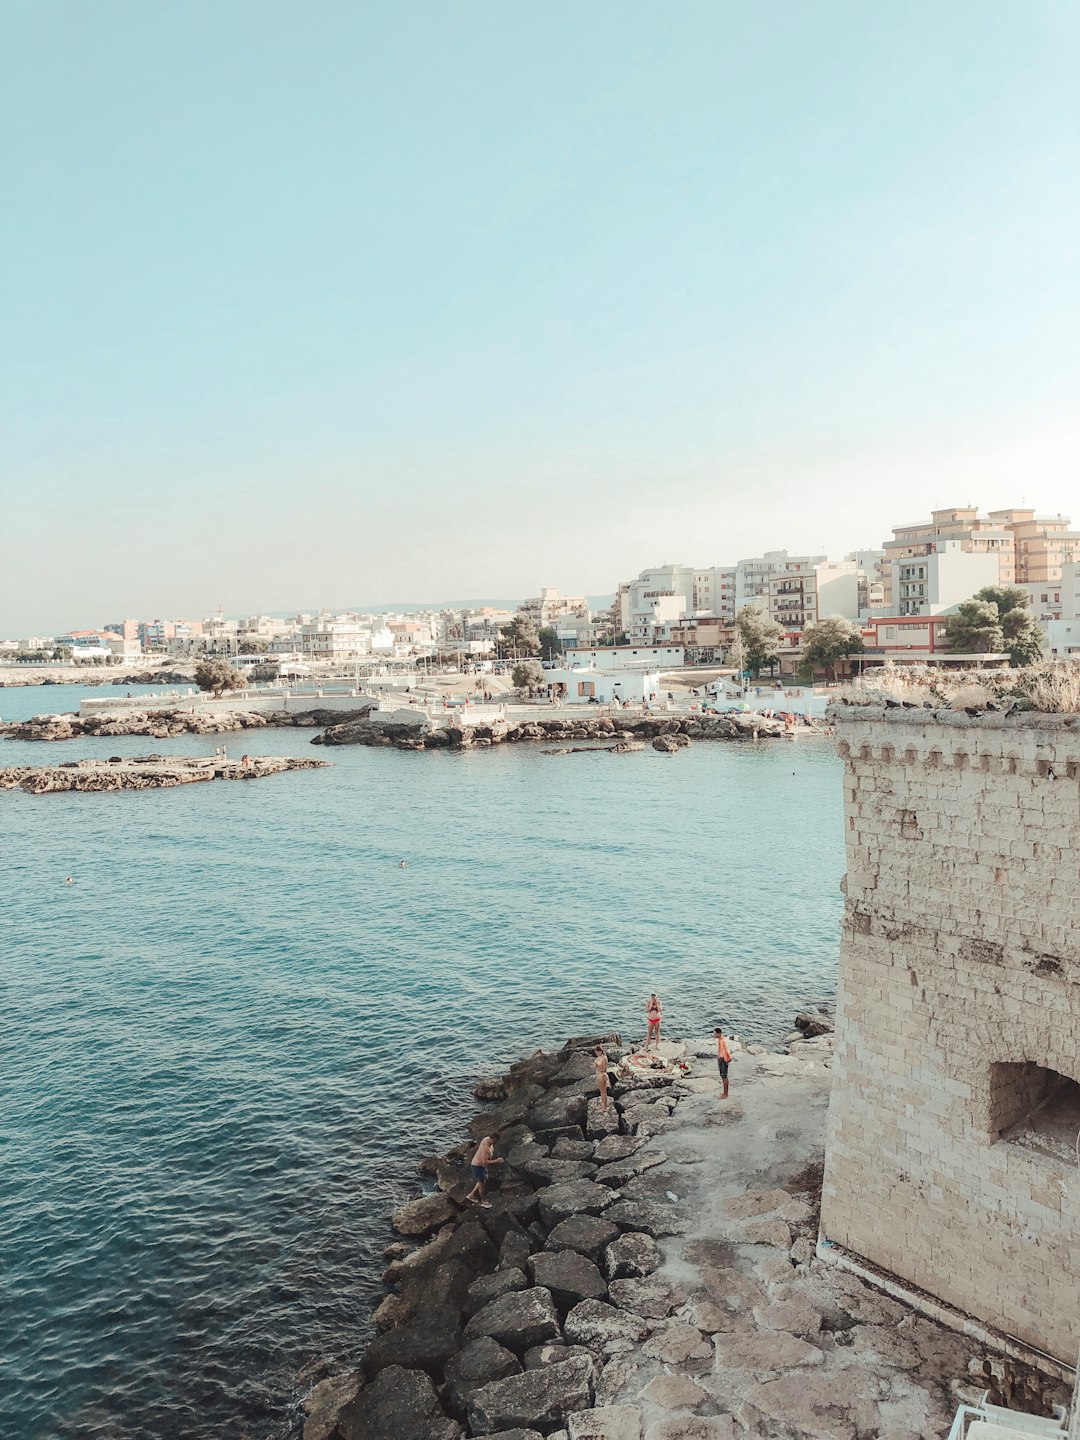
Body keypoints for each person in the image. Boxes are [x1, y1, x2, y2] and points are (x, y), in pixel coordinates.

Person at [466, 1135, 504, 1207]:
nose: (496, 1143)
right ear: (493, 1139)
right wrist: (496, 1161)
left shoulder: (486, 1138)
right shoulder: (486, 1148)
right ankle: (483, 1201)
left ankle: (471, 1195)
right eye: (496, 1141)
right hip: (478, 1166)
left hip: (481, 1166)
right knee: (482, 1185)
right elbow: (484, 1162)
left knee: (483, 1180)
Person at [714, 1025, 732, 1099]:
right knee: (722, 1076)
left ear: (718, 1033)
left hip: (723, 1060)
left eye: (715, 1033)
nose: (714, 1035)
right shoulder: (720, 1039)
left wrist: (727, 1059)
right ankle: (724, 1092)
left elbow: (726, 1050)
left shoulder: (723, 1041)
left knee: (724, 1077)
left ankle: (726, 1093)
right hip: (721, 1059)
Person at [594, 1046, 610, 1113]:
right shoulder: (599, 1057)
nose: (596, 1053)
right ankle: (603, 1105)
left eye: (597, 1052)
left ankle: (604, 1108)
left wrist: (597, 1067)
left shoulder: (604, 1058)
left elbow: (604, 1069)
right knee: (602, 1092)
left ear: (600, 1051)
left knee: (603, 1092)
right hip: (598, 1075)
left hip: (602, 1075)